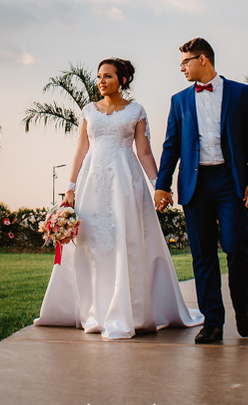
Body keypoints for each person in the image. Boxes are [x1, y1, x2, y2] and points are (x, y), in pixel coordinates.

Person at [35, 57, 203, 339]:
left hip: (125, 181)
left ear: (122, 80)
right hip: (92, 182)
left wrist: (159, 185)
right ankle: (93, 310)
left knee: (125, 241)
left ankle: (129, 311)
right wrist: (70, 186)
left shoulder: (136, 111)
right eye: (99, 76)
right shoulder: (88, 111)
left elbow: (144, 152)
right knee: (91, 244)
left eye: (108, 76)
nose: (101, 81)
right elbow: (81, 149)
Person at [154, 38, 248, 344]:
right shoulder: (179, 101)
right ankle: (212, 322)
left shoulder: (242, 94)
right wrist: (162, 184)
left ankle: (242, 308)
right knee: (202, 255)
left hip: (231, 181)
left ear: (203, 59)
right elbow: (171, 145)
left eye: (185, 62)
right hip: (196, 184)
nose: (182, 68)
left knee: (236, 247)